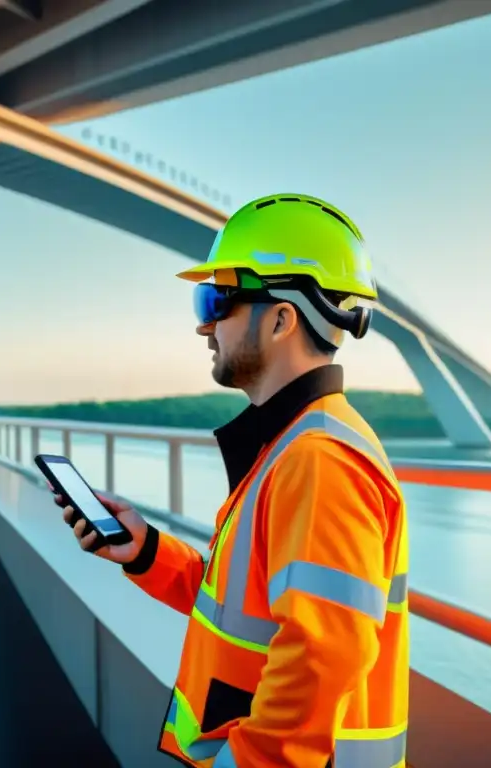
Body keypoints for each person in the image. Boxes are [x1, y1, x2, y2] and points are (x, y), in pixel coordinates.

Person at [54, 194, 409, 768]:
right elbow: (248, 611)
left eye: (217, 299)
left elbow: (326, 654)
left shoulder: (320, 459)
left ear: (280, 318)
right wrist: (145, 552)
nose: (203, 324)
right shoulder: (288, 445)